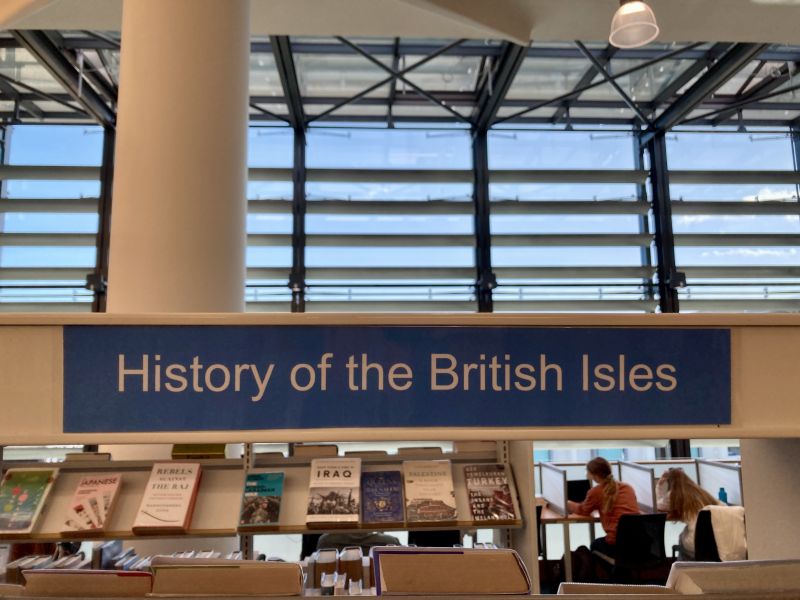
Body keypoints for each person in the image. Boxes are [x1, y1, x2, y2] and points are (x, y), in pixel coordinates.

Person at [566, 457, 639, 556]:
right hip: (639, 542)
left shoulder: (596, 492)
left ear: (595, 475)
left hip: (616, 543)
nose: (586, 475)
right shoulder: (627, 488)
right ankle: (621, 570)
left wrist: (567, 503)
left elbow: (583, 510)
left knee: (594, 545)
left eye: (587, 472)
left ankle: (616, 571)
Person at [656, 467, 719, 560]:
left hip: (696, 541)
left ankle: (681, 570)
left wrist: (659, 485)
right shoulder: (700, 492)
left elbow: (657, 506)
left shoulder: (674, 495)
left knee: (681, 539)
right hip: (715, 539)